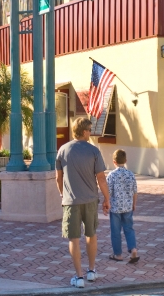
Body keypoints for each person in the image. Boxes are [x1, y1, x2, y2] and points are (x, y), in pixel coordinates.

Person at [56, 117, 110, 289]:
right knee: (91, 234)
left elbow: (58, 177)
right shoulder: (94, 151)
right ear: (84, 131)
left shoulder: (63, 150)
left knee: (74, 238)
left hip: (71, 201)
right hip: (91, 200)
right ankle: (92, 271)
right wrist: (107, 199)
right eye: (89, 129)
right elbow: (101, 178)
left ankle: (79, 277)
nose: (91, 132)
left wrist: (61, 194)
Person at [107, 149, 139, 263]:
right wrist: (134, 203)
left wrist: (106, 203)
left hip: (115, 207)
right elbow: (135, 191)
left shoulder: (111, 175)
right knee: (129, 228)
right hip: (128, 206)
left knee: (115, 231)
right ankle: (133, 248)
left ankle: (118, 254)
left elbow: (108, 191)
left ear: (114, 161)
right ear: (125, 160)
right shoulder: (130, 174)